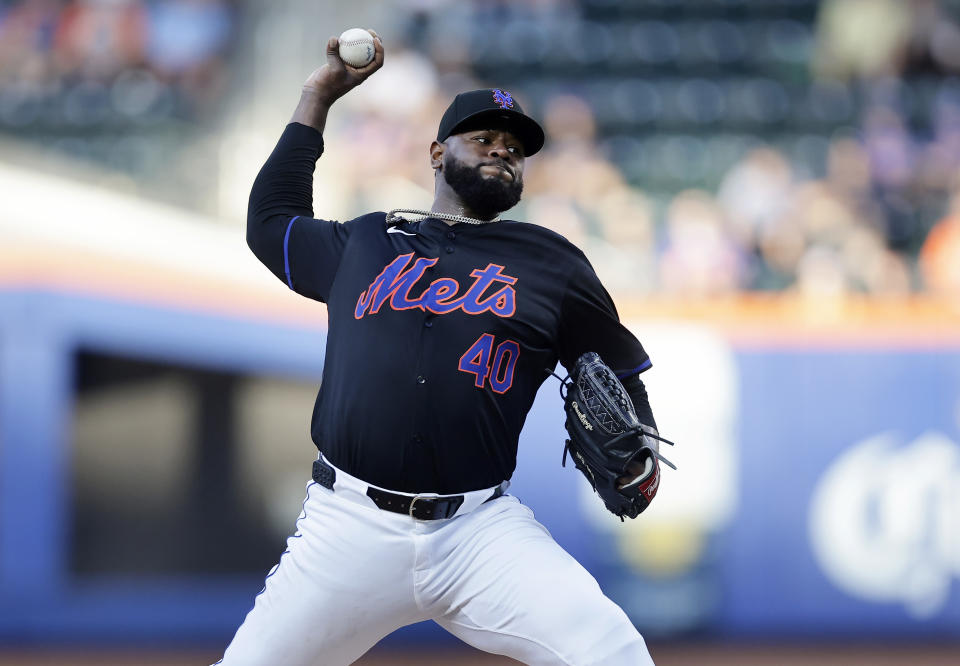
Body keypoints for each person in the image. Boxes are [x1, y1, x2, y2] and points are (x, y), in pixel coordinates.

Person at [216, 30, 661, 666]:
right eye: (484, 139)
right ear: (436, 153)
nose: (502, 152)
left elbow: (616, 368)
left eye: (514, 148)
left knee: (610, 648)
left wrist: (638, 432)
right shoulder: (367, 242)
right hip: (348, 527)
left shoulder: (551, 262)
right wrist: (316, 100)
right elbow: (270, 223)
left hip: (479, 532)